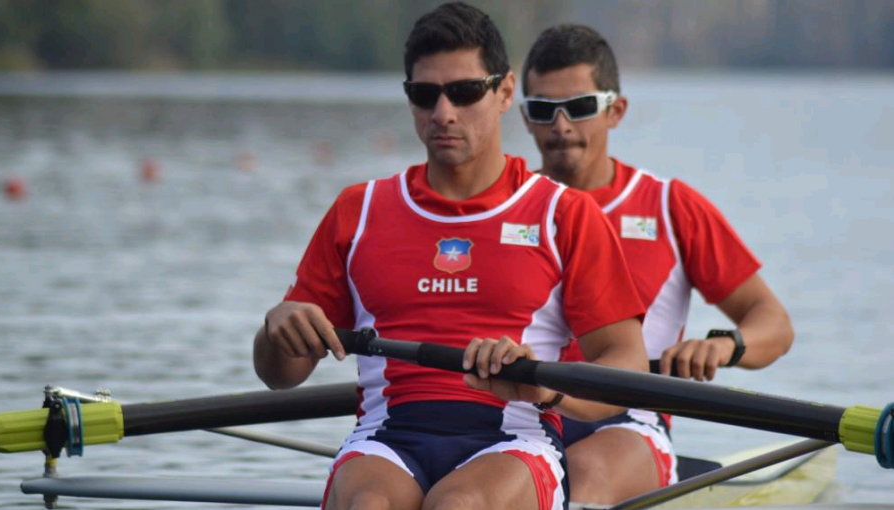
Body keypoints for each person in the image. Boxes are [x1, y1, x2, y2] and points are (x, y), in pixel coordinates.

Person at [254, 5, 650, 510]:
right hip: (386, 438)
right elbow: (279, 375)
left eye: (464, 92)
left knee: (458, 506)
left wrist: (541, 388)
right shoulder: (359, 210)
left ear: (505, 93)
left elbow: (627, 364)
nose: (443, 113)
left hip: (515, 439)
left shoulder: (563, 214)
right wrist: (274, 329)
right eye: (425, 95)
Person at [520, 24, 796, 505]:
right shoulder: (504, 207)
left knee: (582, 477)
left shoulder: (671, 207)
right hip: (520, 412)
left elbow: (773, 323)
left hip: (629, 418)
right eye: (543, 111)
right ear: (525, 118)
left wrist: (726, 347)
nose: (561, 126)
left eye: (581, 107)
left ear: (616, 110)